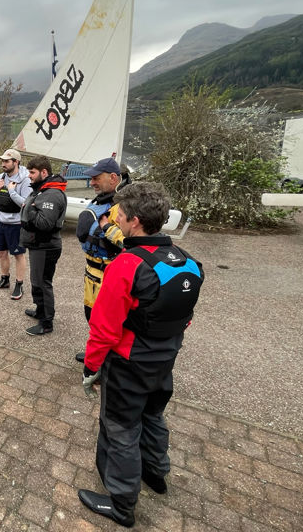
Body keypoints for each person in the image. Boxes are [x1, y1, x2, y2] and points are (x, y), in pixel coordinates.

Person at [78, 182, 203, 528]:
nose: (113, 215)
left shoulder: (126, 265)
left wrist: (91, 365)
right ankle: (157, 474)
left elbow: (103, 328)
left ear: (133, 221)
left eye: (118, 211)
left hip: (128, 363)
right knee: (153, 416)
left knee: (120, 428)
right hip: (165, 359)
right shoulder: (187, 262)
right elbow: (185, 317)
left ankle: (121, 504)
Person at [74, 157, 129, 362]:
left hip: (109, 275)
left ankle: (109, 361)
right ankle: (97, 353)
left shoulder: (125, 206)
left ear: (113, 178)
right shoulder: (101, 200)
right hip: (92, 273)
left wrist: (106, 228)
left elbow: (130, 242)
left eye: (97, 178)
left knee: (108, 323)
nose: (93, 182)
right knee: (92, 317)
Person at [20, 156, 68, 336]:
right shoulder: (42, 190)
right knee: (36, 281)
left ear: (44, 172)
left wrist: (31, 210)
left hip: (46, 245)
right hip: (37, 244)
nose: (29, 176)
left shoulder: (52, 194)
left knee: (43, 283)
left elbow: (45, 224)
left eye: (32, 172)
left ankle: (47, 322)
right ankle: (40, 310)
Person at [0, 148, 32, 300]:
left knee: (18, 254)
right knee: (1, 252)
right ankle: (4, 279)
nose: (3, 164)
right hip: (1, 221)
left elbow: (25, 203)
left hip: (16, 223)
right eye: (2, 161)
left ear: (16, 162)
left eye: (6, 161)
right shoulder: (1, 176)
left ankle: (19, 284)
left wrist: (12, 191)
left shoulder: (25, 180)